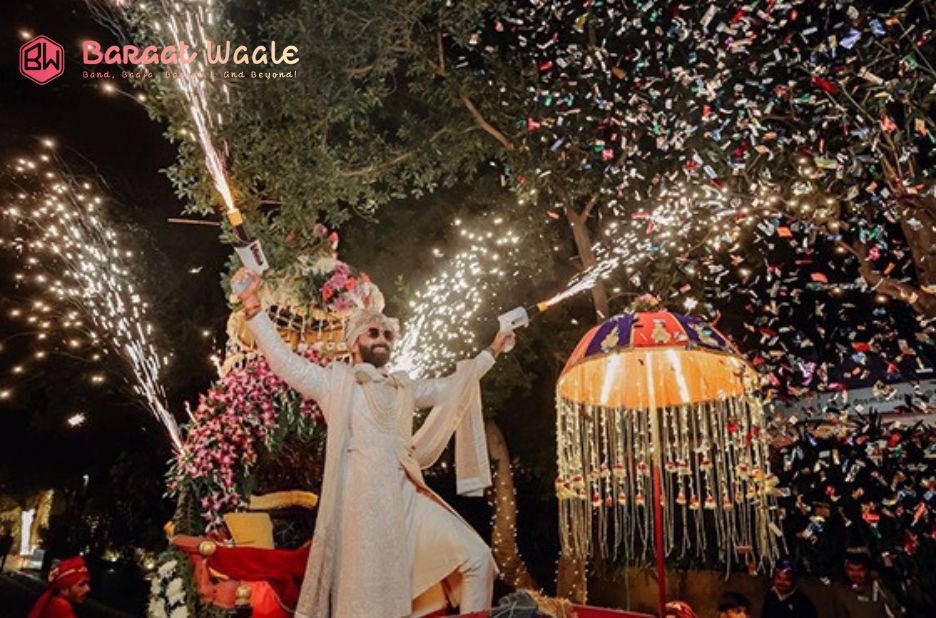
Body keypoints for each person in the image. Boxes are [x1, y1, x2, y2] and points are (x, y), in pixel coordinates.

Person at [233, 267, 516, 618]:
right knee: (369, 605)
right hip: (361, 503)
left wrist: (493, 350)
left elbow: (452, 387)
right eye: (372, 332)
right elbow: (285, 362)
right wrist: (252, 305)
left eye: (387, 334)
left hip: (405, 496)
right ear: (353, 343)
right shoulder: (333, 383)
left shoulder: (403, 387)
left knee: (477, 558)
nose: (382, 338)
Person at [831, 552, 905, 618]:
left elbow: (897, 612)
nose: (856, 574)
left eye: (860, 570)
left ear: (867, 570)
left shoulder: (881, 589)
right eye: (851, 570)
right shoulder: (842, 590)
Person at [26, 556, 90, 618]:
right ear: (63, 589)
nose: (88, 589)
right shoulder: (62, 606)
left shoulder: (52, 600)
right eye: (81, 585)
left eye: (87, 584)